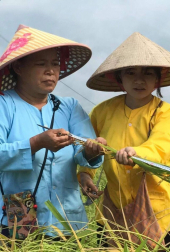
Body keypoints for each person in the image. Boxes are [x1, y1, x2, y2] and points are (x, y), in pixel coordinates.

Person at [78, 32, 170, 252]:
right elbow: (90, 148)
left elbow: (160, 147)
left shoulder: (169, 114)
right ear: (119, 78)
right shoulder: (102, 112)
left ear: (157, 80)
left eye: (147, 73)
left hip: (159, 214)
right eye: (130, 73)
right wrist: (85, 174)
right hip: (111, 214)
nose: (139, 80)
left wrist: (137, 153)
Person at [0, 25, 103, 239]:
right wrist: (36, 142)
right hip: (17, 220)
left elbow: (82, 150)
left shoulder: (69, 106)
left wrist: (92, 152)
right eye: (41, 64)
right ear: (18, 67)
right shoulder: (4, 105)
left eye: (55, 64)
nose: (51, 71)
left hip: (67, 221)